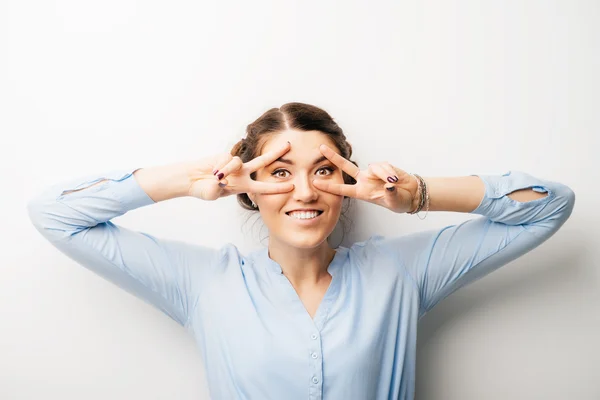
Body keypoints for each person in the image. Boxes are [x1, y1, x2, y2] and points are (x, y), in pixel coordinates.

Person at [27, 102, 575, 400]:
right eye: (280, 173)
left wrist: (417, 195)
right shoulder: (203, 283)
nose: (306, 191)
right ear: (248, 186)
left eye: (325, 171)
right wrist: (190, 180)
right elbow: (55, 214)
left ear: (349, 180)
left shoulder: (400, 272)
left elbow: (550, 205)